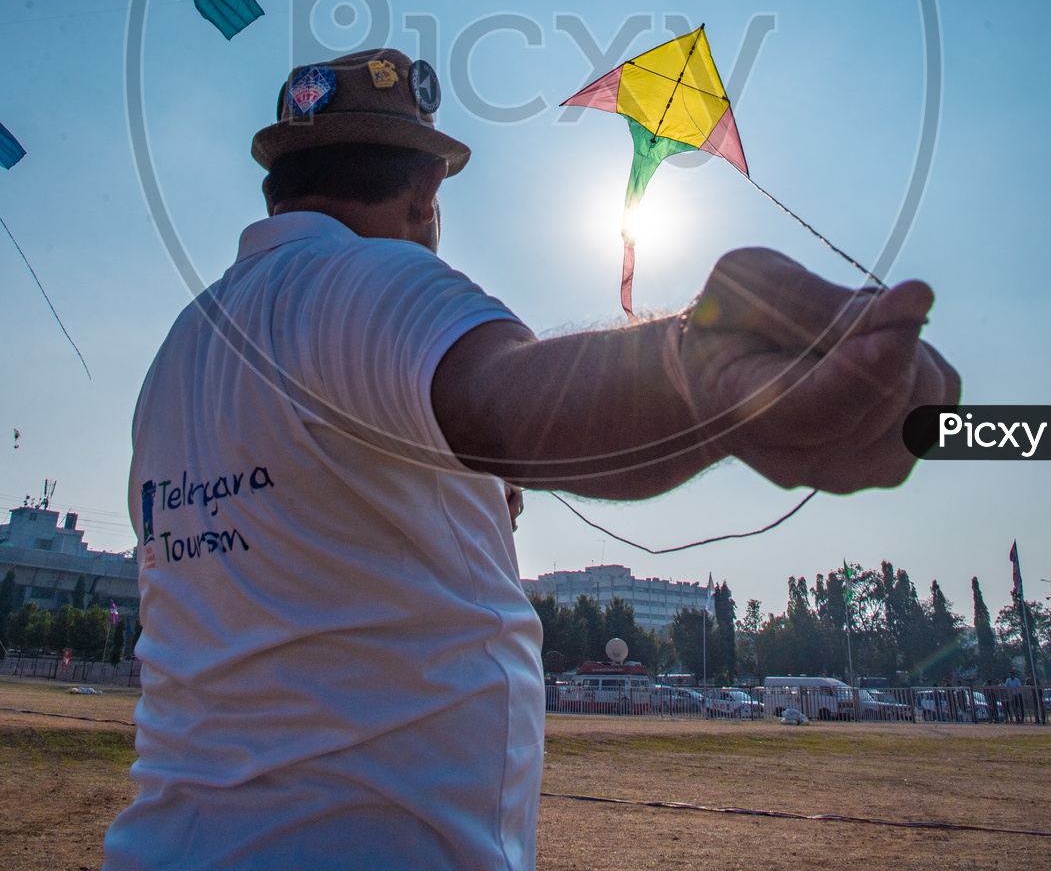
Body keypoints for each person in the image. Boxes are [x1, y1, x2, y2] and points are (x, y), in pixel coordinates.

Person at [103, 48, 960, 871]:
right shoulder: (375, 279)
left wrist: (459, 476)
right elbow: (509, 396)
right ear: (425, 193)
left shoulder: (182, 352)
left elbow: (297, 529)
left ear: (276, 187)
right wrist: (698, 369)